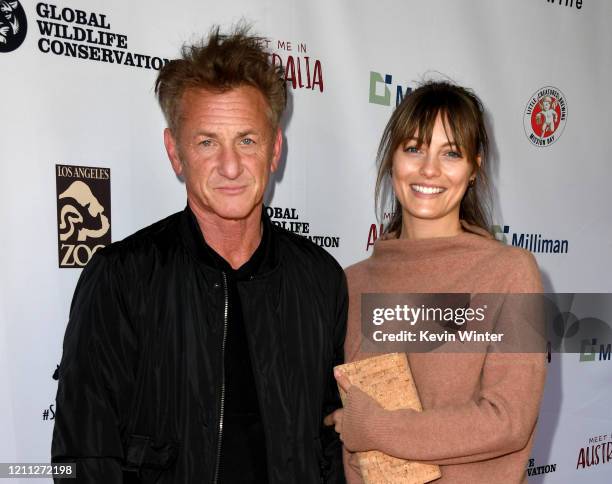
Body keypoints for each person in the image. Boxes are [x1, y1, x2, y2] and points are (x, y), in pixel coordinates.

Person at [51, 25, 347, 484]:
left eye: (247, 140)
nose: (230, 166)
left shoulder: (320, 279)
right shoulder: (122, 278)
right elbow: (85, 455)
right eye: (207, 142)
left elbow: (331, 443)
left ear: (275, 151)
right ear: (175, 152)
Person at [324, 81, 546, 483]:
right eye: (414, 148)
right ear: (392, 159)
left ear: (474, 167)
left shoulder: (511, 273)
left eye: (451, 154)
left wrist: (378, 428)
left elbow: (509, 420)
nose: (429, 169)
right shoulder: (350, 283)